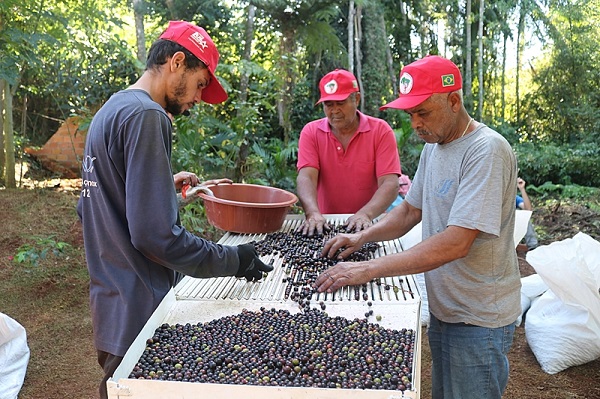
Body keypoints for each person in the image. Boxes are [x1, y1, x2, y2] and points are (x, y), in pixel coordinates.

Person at [76, 21, 273, 399]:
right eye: (200, 84)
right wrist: (235, 260)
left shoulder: (111, 110)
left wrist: (161, 190)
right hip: (142, 308)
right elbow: (155, 236)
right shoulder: (148, 116)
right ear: (177, 62)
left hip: (111, 305)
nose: (197, 99)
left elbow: (93, 206)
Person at [315, 55, 521, 399]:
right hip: (446, 308)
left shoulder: (487, 150)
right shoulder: (435, 147)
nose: (415, 124)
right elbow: (410, 210)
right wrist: (362, 236)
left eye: (422, 112)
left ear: (453, 101)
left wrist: (368, 269)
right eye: (410, 114)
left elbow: (457, 242)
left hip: (479, 317)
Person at [296, 68, 402, 236]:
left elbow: (390, 183)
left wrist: (365, 214)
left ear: (356, 99)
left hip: (369, 224)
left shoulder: (381, 131)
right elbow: (306, 177)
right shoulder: (311, 132)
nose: (335, 110)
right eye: (328, 105)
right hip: (324, 225)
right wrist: (312, 213)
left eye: (341, 103)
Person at [516, 177, 539, 249]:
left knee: (524, 217)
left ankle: (533, 247)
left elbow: (528, 210)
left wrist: (522, 189)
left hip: (511, 225)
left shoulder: (514, 198)